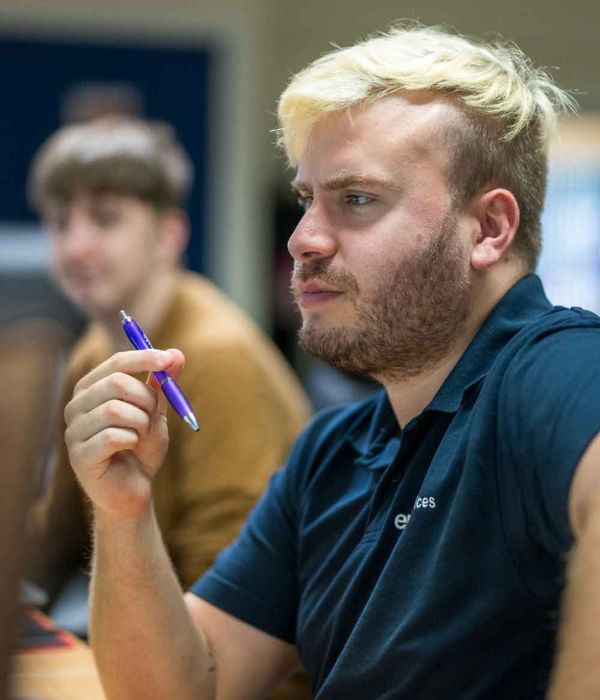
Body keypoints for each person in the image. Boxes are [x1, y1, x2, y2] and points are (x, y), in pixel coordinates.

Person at [61, 25, 600, 699]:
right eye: (307, 199)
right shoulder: (331, 453)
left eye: (357, 199)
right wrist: (122, 513)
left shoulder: (550, 370)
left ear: (488, 229)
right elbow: (183, 688)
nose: (303, 239)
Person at [25, 117, 311, 675]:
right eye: (60, 224)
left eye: (105, 220)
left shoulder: (219, 357)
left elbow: (233, 586)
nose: (76, 245)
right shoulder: (91, 352)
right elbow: (58, 534)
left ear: (168, 236)